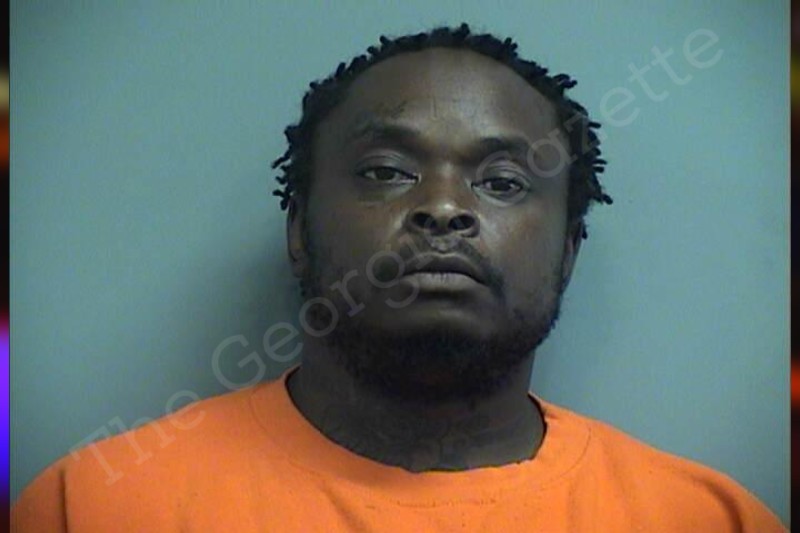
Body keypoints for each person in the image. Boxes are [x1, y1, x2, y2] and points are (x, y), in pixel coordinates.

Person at [11, 24, 785, 532]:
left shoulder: (708, 518)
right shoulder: (96, 505)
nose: (444, 207)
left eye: (503, 181)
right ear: (299, 233)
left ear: (568, 250)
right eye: (386, 171)